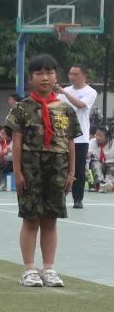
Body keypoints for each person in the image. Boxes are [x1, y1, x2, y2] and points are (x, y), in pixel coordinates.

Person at [5, 54, 81, 288]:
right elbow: (16, 143)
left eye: (49, 73)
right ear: (30, 78)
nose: (45, 78)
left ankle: (48, 268)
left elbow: (70, 143)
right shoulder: (21, 108)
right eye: (39, 73)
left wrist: (71, 173)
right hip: (30, 168)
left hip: (57, 168)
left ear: (56, 77)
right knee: (31, 219)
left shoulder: (66, 110)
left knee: (51, 219)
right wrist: (17, 172)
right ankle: (29, 269)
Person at [56, 65, 97, 209]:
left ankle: (78, 199)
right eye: (70, 74)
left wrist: (63, 92)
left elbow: (80, 105)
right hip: (63, 136)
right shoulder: (64, 91)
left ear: (84, 75)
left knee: (78, 170)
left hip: (80, 137)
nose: (71, 77)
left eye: (75, 74)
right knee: (61, 168)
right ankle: (59, 197)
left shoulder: (90, 92)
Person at [87, 126, 114, 192]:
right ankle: (100, 183)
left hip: (111, 165)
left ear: (107, 137)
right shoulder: (93, 141)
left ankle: (108, 184)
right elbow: (87, 155)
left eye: (100, 135)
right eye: (96, 135)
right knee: (95, 164)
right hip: (98, 163)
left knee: (111, 172)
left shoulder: (113, 143)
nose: (97, 137)